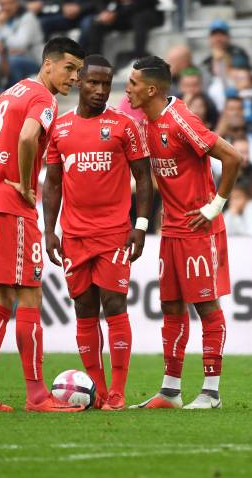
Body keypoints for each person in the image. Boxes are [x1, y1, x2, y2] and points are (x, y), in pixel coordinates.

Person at [0, 36, 86, 413]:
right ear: (48, 63)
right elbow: (30, 136)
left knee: (2, 300)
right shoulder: (42, 99)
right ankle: (37, 396)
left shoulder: (11, 93)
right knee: (29, 296)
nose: (74, 77)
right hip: (12, 209)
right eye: (69, 68)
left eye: (78, 71)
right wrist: (29, 185)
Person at [125, 56, 241, 410]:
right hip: (172, 230)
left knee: (206, 305)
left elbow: (232, 157)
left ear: (150, 89)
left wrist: (214, 206)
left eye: (131, 83)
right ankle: (170, 390)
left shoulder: (181, 120)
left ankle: (211, 392)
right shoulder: (145, 123)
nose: (126, 89)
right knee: (171, 307)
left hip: (199, 228)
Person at [43, 54, 152, 411]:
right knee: (84, 308)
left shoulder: (124, 125)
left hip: (114, 233)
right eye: (93, 83)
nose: (101, 90)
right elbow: (53, 185)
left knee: (114, 304)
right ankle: (99, 391)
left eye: (106, 85)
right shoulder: (59, 128)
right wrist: (49, 231)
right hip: (74, 235)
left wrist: (141, 226)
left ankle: (118, 392)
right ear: (79, 82)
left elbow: (144, 178)